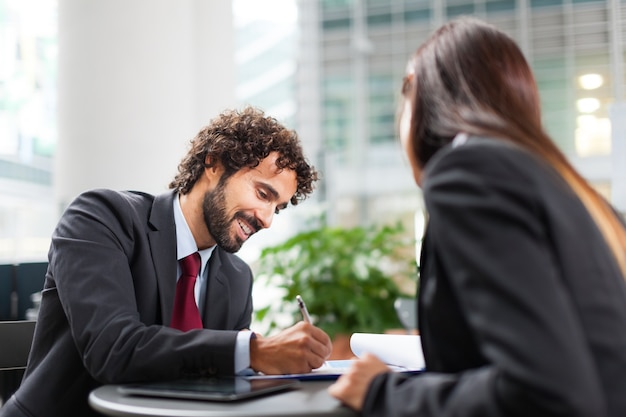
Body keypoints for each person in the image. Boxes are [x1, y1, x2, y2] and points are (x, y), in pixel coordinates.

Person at [329, 16, 626, 417]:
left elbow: (545, 393)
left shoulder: (468, 171)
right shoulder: (578, 195)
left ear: (419, 90)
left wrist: (382, 392)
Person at [1, 106, 332, 417]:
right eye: (263, 194)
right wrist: (254, 350)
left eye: (279, 207)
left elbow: (219, 386)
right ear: (213, 163)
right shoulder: (100, 218)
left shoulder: (236, 277)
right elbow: (113, 349)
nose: (268, 220)